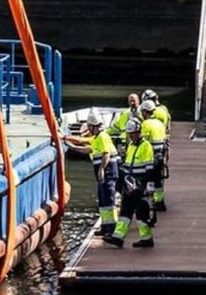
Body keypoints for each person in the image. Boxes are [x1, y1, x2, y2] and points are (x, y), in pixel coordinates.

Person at [63, 111, 119, 236]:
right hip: (104, 173)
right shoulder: (97, 138)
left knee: (108, 200)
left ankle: (112, 229)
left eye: (89, 126)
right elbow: (87, 148)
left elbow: (106, 154)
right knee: (102, 200)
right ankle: (105, 227)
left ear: (93, 126)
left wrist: (102, 169)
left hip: (108, 172)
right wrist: (71, 146)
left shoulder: (102, 137)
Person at [103, 119, 157, 249]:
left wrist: (145, 186)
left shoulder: (146, 146)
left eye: (133, 133)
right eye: (129, 134)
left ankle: (147, 238)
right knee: (125, 211)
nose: (131, 136)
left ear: (139, 132)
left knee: (141, 212)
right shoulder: (131, 145)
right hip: (130, 185)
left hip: (140, 184)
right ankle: (118, 237)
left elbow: (150, 168)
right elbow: (128, 165)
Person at [137, 98, 169, 212]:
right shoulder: (160, 124)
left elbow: (143, 142)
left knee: (147, 180)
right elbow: (165, 141)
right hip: (160, 155)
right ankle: (159, 201)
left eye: (142, 111)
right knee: (158, 180)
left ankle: (148, 203)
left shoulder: (145, 124)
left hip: (150, 157)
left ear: (145, 112)